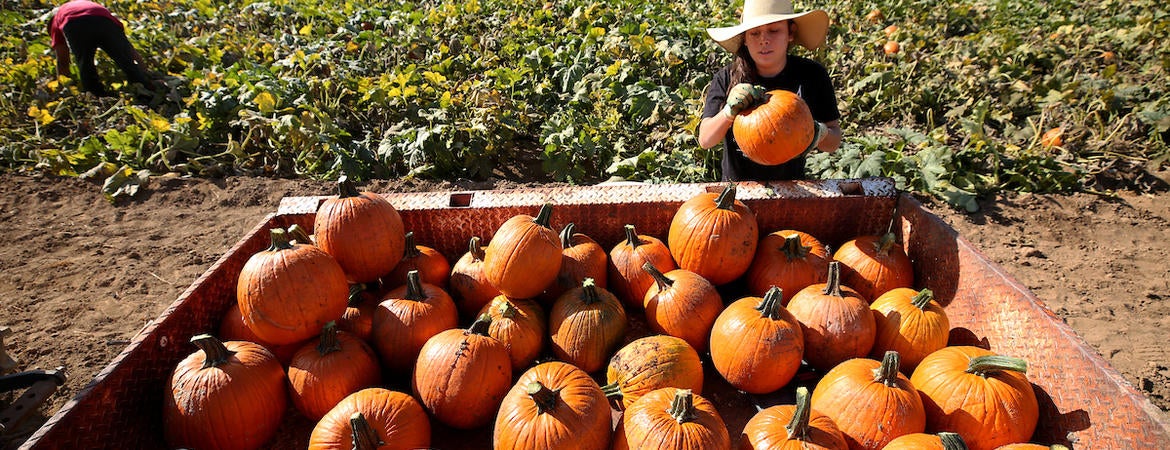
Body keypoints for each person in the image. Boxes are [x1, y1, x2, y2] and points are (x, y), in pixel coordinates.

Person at [697, 0, 843, 181]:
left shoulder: (812, 75)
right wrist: (728, 112)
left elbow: (834, 141)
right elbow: (705, 140)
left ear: (790, 33)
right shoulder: (727, 78)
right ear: (745, 39)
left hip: (791, 187)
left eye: (774, 30)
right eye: (754, 33)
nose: (764, 40)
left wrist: (819, 133)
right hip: (739, 190)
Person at [47, 0, 157, 97]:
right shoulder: (80, 4)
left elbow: (62, 61)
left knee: (85, 63)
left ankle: (96, 95)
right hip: (105, 19)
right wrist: (145, 72)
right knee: (125, 59)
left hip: (75, 23)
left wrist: (63, 87)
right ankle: (145, 87)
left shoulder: (55, 20)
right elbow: (130, 50)